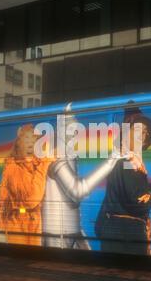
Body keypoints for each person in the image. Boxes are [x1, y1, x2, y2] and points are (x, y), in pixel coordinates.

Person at [95, 105, 151, 255]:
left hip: (122, 232)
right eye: (136, 131)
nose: (141, 135)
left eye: (144, 132)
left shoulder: (133, 162)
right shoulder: (126, 162)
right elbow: (138, 201)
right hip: (122, 233)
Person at [42, 104, 121, 249]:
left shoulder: (68, 156)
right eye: (71, 131)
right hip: (59, 234)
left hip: (71, 231)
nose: (75, 136)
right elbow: (77, 191)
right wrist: (111, 161)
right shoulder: (55, 159)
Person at [0, 124, 54, 246]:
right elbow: (31, 199)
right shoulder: (12, 167)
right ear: (19, 141)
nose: (31, 142)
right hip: (16, 223)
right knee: (20, 260)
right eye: (27, 138)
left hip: (34, 222)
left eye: (34, 139)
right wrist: (45, 163)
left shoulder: (35, 163)